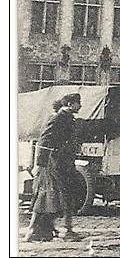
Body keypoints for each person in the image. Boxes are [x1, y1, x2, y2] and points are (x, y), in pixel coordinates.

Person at [25, 93, 84, 243]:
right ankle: (66, 231)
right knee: (60, 197)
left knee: (51, 198)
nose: (80, 106)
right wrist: (40, 164)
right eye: (78, 103)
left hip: (63, 163)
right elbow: (44, 140)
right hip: (56, 165)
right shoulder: (58, 118)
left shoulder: (68, 118)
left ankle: (37, 230)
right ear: (70, 104)